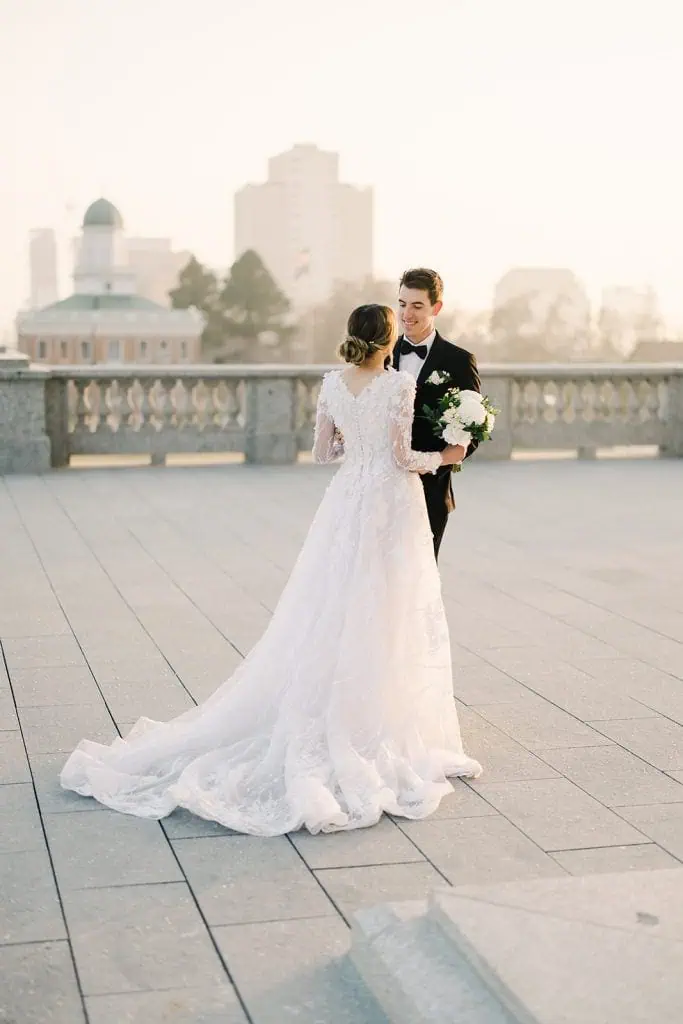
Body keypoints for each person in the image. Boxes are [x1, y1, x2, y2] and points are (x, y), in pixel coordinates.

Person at [60, 304, 482, 836]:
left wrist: (358, 444)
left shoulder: (332, 383)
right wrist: (445, 456)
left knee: (332, 600)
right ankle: (378, 714)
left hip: (346, 499)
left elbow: (324, 452)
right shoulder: (397, 386)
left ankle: (335, 698)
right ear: (389, 337)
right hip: (389, 503)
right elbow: (401, 458)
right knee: (387, 604)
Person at [393, 268, 481, 559]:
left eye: (417, 306)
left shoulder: (458, 361)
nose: (407, 314)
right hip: (382, 490)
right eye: (402, 304)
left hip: (430, 492)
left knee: (420, 582)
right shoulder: (381, 355)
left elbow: (472, 430)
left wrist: (435, 462)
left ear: (436, 308)